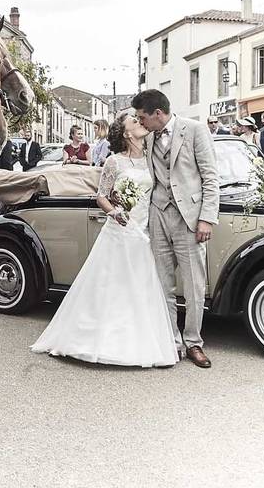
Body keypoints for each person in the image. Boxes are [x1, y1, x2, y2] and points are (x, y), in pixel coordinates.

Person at [31, 110, 177, 367]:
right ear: (126, 132)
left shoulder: (151, 157)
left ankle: (143, 341)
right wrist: (116, 212)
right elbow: (102, 196)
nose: (140, 122)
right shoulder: (114, 161)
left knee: (141, 285)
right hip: (120, 229)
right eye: (134, 120)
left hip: (144, 229)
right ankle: (100, 340)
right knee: (112, 284)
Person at [136, 89, 219, 368]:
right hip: (158, 214)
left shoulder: (194, 130)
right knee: (163, 283)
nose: (141, 123)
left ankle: (194, 342)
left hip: (190, 218)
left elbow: (210, 177)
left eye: (143, 117)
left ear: (158, 113)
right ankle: (172, 341)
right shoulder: (148, 138)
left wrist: (206, 218)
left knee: (195, 285)